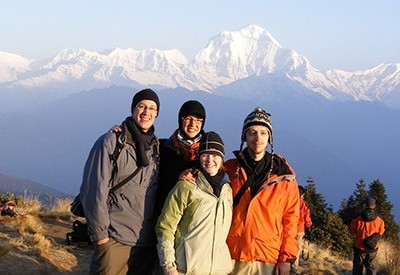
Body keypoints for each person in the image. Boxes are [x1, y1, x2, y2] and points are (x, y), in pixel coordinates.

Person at [79, 88, 161, 275]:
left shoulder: (157, 149)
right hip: (115, 240)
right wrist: (101, 238)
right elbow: (94, 190)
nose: (146, 112)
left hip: (145, 243)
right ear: (133, 109)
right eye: (141, 106)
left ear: (157, 114)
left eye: (152, 108)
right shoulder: (112, 142)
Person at [224, 107, 300, 275]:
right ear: (244, 136)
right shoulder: (229, 169)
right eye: (252, 132)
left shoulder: (284, 176)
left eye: (263, 133)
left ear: (269, 137)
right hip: (233, 255)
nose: (257, 138)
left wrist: (286, 258)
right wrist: (191, 173)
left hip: (267, 258)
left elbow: (291, 219)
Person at [155, 131, 233, 275]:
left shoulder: (227, 190)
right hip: (187, 269)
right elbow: (165, 227)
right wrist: (169, 267)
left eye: (215, 155)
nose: (210, 160)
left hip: (219, 270)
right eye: (205, 155)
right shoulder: (186, 186)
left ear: (222, 159)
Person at [156, 100, 206, 214]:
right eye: (188, 118)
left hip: (195, 222)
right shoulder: (162, 148)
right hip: (162, 217)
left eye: (198, 120)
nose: (193, 124)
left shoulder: (208, 154)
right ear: (180, 119)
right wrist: (122, 130)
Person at [350, 197, 385, 275]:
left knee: (357, 269)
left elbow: (352, 231)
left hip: (359, 247)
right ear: (374, 206)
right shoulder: (380, 219)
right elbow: (381, 232)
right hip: (373, 247)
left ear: (364, 205)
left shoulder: (357, 218)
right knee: (371, 269)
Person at [292, 185, 312, 274]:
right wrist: (309, 230)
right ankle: (294, 268)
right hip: (299, 230)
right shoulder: (303, 204)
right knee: (296, 249)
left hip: (288, 229)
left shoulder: (289, 201)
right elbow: (307, 219)